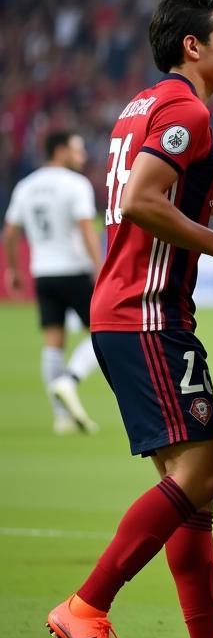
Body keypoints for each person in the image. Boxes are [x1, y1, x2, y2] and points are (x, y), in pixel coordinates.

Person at [46, 0, 213, 638]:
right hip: (146, 316)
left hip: (129, 312)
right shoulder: (185, 109)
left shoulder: (143, 104)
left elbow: (161, 194)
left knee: (189, 490)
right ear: (191, 46)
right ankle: (87, 605)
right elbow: (142, 200)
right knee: (202, 477)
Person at [4, 130, 103, 434]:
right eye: (77, 150)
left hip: (42, 273)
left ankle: (62, 417)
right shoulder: (75, 184)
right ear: (60, 151)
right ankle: (69, 380)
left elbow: (9, 233)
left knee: (53, 343)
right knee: (102, 334)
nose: (82, 157)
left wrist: (13, 270)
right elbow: (86, 230)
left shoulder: (26, 186)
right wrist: (100, 268)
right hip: (74, 270)